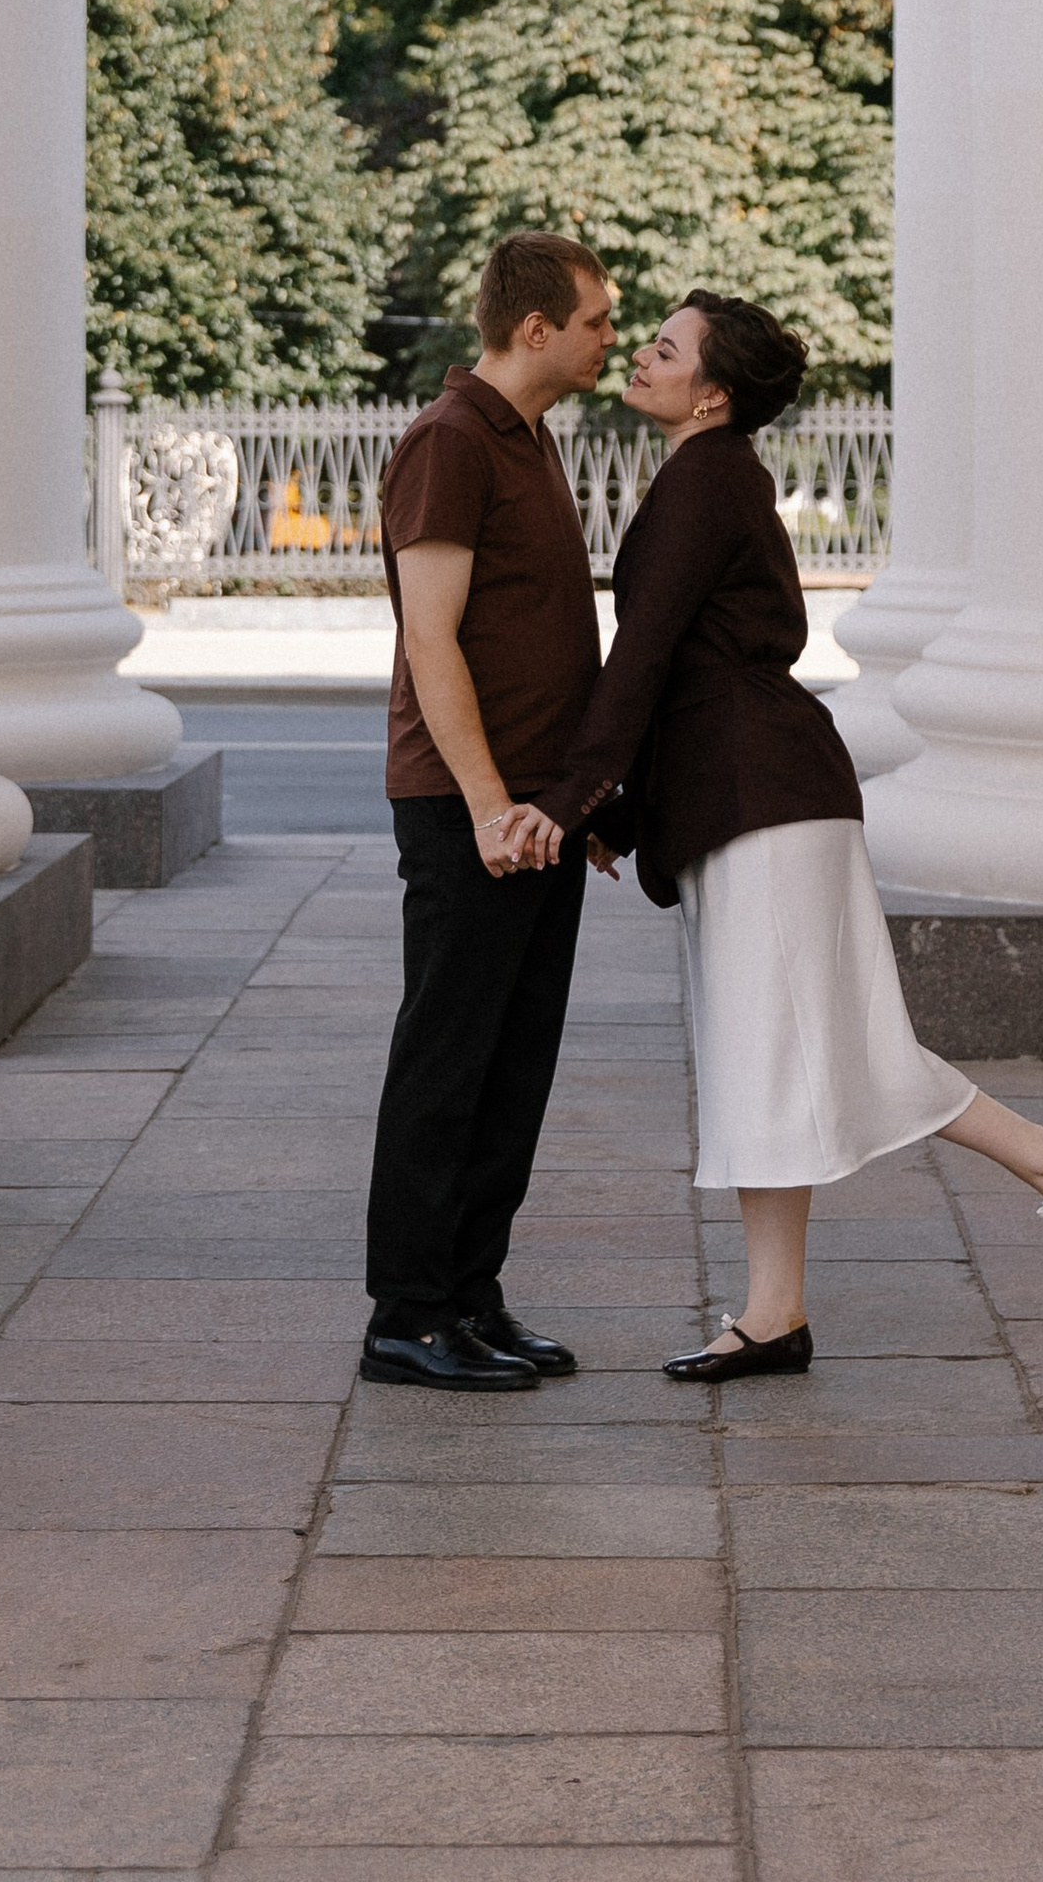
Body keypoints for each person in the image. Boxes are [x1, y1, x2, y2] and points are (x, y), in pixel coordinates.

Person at [524, 289, 1043, 1378]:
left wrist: (568, 802)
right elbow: (682, 676)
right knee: (768, 1057)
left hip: (768, 803)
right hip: (748, 794)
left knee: (831, 1051)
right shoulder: (702, 476)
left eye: (663, 349)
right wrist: (616, 809)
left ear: (713, 393)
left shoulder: (707, 482)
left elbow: (644, 660)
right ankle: (775, 1312)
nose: (640, 360)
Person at [359, 230, 620, 1391]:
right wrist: (485, 805)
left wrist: (576, 804)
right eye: (600, 321)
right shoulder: (450, 441)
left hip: (536, 815)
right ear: (535, 330)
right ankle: (408, 1313)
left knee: (513, 1065)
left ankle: (473, 1295)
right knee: (449, 1060)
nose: (613, 338)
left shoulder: (526, 438)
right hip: (473, 810)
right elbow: (431, 637)